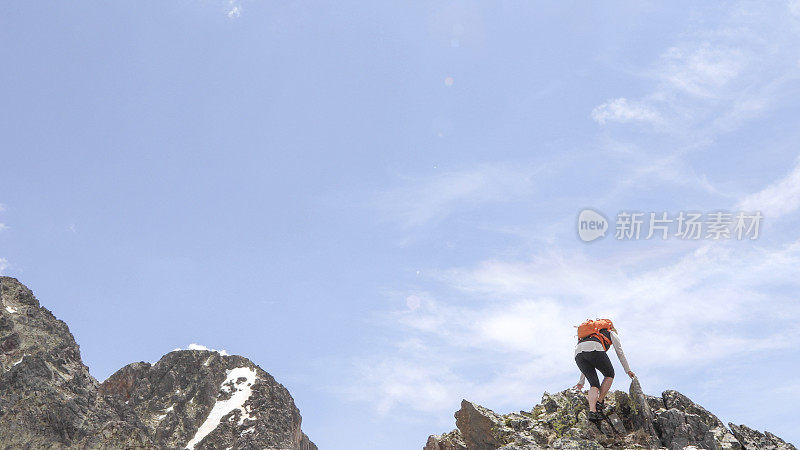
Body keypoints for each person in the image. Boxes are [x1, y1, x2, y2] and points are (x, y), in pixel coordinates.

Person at [572, 320, 635, 422]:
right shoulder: (611, 333)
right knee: (609, 374)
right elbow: (620, 352)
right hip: (594, 348)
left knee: (594, 384)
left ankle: (593, 412)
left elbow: (587, 360)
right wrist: (628, 370)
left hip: (578, 353)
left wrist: (581, 381)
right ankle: (599, 402)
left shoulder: (588, 335)